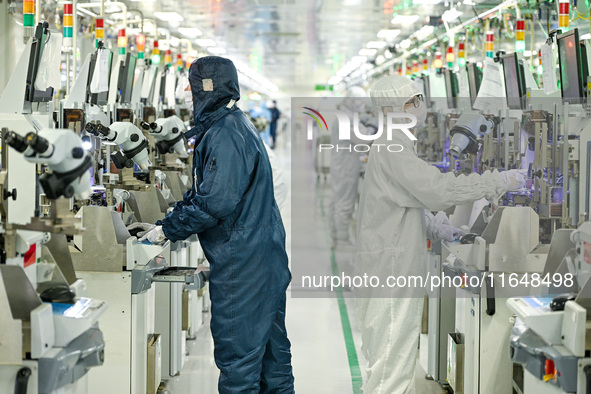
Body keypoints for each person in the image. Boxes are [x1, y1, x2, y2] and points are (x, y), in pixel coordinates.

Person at [128, 56, 294, 393]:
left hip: (242, 265)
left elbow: (216, 201)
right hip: (264, 258)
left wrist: (168, 230)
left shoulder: (225, 134)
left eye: (192, 87)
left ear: (208, 88)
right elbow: (207, 191)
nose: (188, 95)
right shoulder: (231, 124)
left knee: (239, 364)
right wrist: (167, 221)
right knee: (272, 362)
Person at [354, 75, 526, 393]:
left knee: (385, 363)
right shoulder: (393, 148)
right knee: (390, 371)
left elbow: (401, 202)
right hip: (392, 273)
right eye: (414, 101)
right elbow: (438, 190)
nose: (421, 107)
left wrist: (434, 226)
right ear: (394, 109)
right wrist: (498, 180)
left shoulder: (391, 145)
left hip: (386, 266)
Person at [328, 86, 368, 249]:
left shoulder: (346, 115)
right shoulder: (347, 118)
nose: (361, 104)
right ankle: (342, 241)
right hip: (346, 166)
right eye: (360, 101)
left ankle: (336, 237)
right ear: (352, 100)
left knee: (338, 200)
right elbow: (362, 139)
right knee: (345, 202)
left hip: (344, 163)